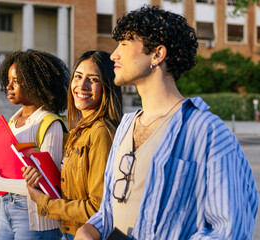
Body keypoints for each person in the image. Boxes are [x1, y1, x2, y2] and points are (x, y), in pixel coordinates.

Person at [75, 5, 259, 240]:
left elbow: (228, 230)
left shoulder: (207, 130)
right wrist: (91, 228)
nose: (113, 55)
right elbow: (112, 209)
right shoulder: (126, 125)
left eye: (124, 44)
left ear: (157, 55)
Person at [23, 50, 123, 240]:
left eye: (93, 79)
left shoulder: (100, 132)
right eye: (78, 76)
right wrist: (40, 174)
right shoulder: (80, 129)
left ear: (107, 87)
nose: (81, 85)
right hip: (71, 231)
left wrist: (44, 202)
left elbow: (97, 207)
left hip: (88, 234)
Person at [0, 49, 69, 240]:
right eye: (8, 80)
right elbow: (9, 171)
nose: (8, 86)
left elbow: (48, 185)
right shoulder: (12, 122)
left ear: (36, 83)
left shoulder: (49, 124)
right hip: (7, 211)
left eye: (16, 81)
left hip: (37, 219)